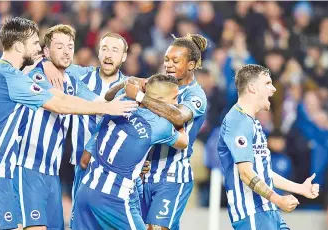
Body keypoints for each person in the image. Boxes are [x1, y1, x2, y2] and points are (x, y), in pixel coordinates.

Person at [0, 17, 136, 230]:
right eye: (55, 46)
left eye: (70, 47)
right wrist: (43, 64)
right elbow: (59, 103)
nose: (66, 51)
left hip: (49, 172)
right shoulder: (30, 77)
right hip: (19, 167)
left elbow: (95, 100)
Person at [43, 32, 147, 227]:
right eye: (104, 49)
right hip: (83, 167)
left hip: (118, 177)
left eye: (115, 50)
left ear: (124, 57)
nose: (108, 54)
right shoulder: (78, 75)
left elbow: (147, 129)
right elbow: (50, 58)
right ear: (98, 53)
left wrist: (144, 159)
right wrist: (48, 65)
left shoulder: (133, 89)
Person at [111, 33, 208, 230]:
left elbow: (178, 116)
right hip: (144, 175)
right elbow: (108, 96)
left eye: (175, 60)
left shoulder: (195, 95)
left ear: (191, 64)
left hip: (172, 177)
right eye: (166, 60)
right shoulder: (156, 85)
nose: (169, 65)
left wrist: (139, 95)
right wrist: (126, 82)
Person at [72, 74, 188, 230]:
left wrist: (124, 85)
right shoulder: (159, 125)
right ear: (159, 100)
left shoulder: (123, 101)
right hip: (114, 197)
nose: (177, 103)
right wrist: (174, 120)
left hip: (86, 189)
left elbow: (107, 97)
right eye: (174, 99)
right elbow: (183, 141)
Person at [217, 64, 320, 230]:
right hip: (252, 213)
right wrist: (278, 199)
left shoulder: (253, 123)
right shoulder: (237, 121)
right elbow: (246, 173)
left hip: (268, 211)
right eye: (267, 84)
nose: (273, 89)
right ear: (252, 88)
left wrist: (300, 188)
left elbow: (262, 172)